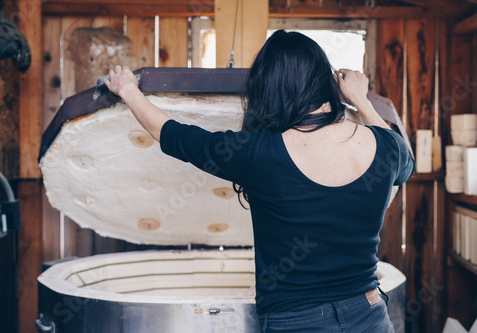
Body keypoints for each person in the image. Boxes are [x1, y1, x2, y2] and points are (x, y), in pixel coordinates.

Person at [104, 30, 414, 333]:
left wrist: (129, 90)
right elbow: (407, 164)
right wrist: (361, 99)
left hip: (297, 322)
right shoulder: (384, 146)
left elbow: (172, 135)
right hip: (369, 312)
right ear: (326, 81)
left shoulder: (260, 154)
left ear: (268, 89)